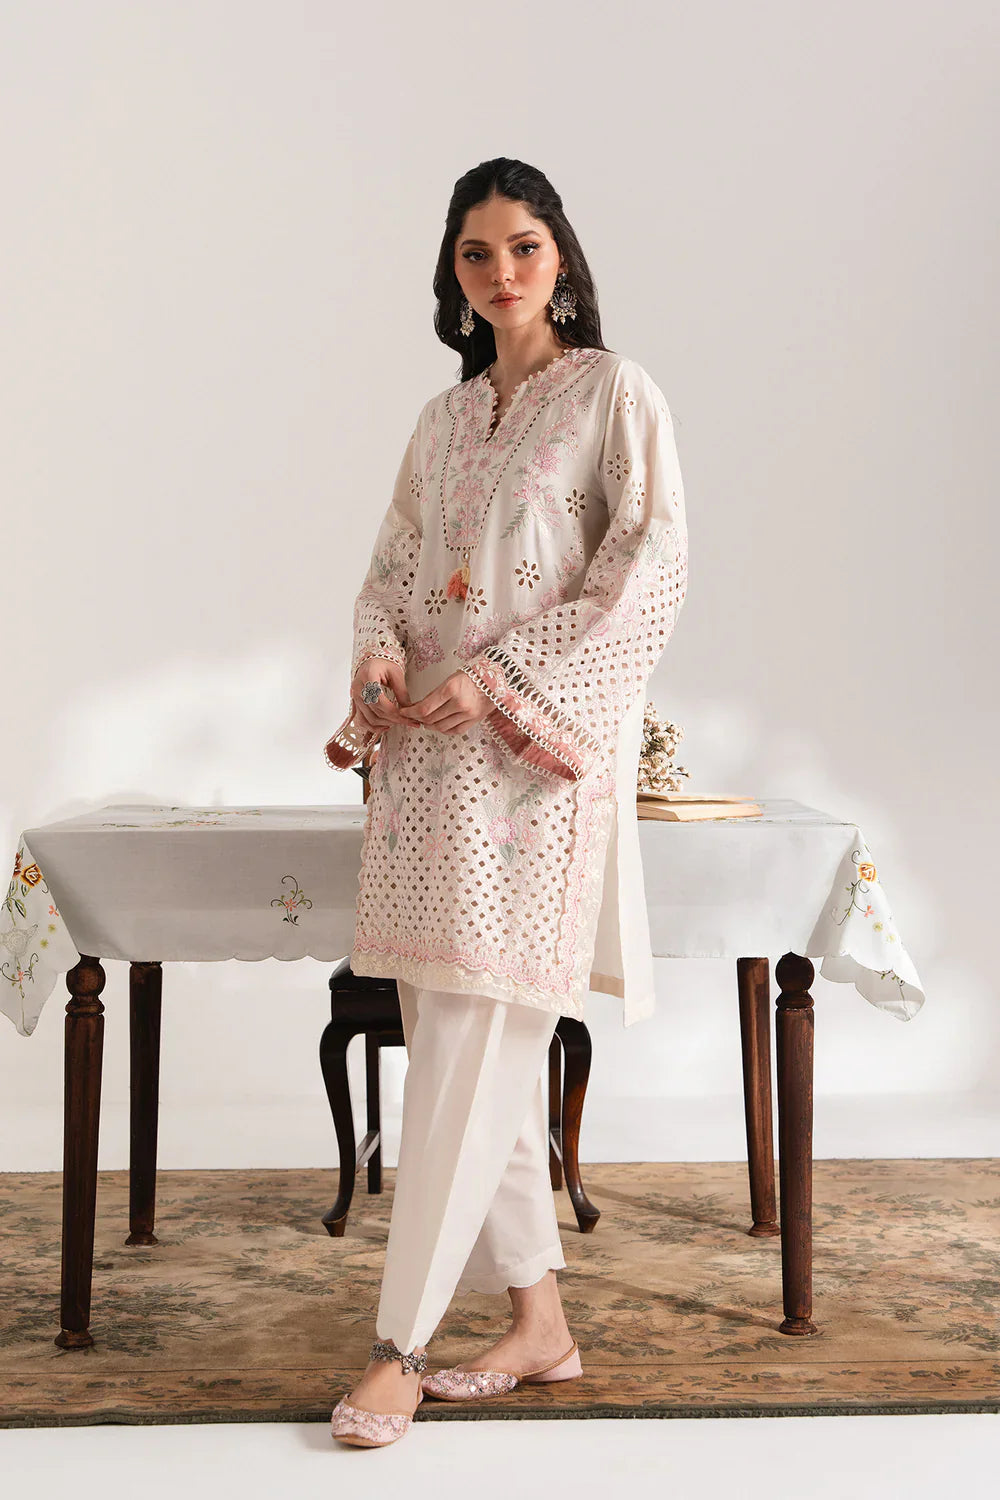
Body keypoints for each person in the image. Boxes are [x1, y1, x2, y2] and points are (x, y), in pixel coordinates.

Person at [324, 156, 688, 1448]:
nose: (501, 274)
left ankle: (400, 1347)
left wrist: (505, 681)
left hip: (529, 770)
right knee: (462, 1049)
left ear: (563, 259)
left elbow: (645, 575)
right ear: (454, 274)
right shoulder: (443, 418)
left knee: (471, 1061)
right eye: (477, 254)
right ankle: (540, 1321)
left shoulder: (613, 397)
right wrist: (378, 655)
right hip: (424, 765)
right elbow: (388, 571)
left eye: (523, 247)